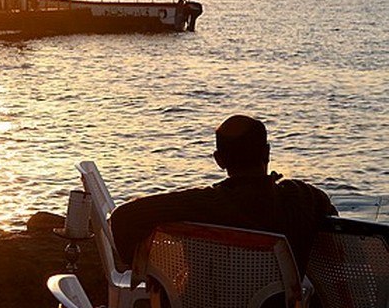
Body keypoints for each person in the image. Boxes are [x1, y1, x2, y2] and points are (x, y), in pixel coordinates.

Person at [111, 114, 338, 274]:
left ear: (219, 160)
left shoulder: (200, 204)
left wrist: (154, 269)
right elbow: (332, 225)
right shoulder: (303, 198)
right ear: (267, 153)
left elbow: (124, 217)